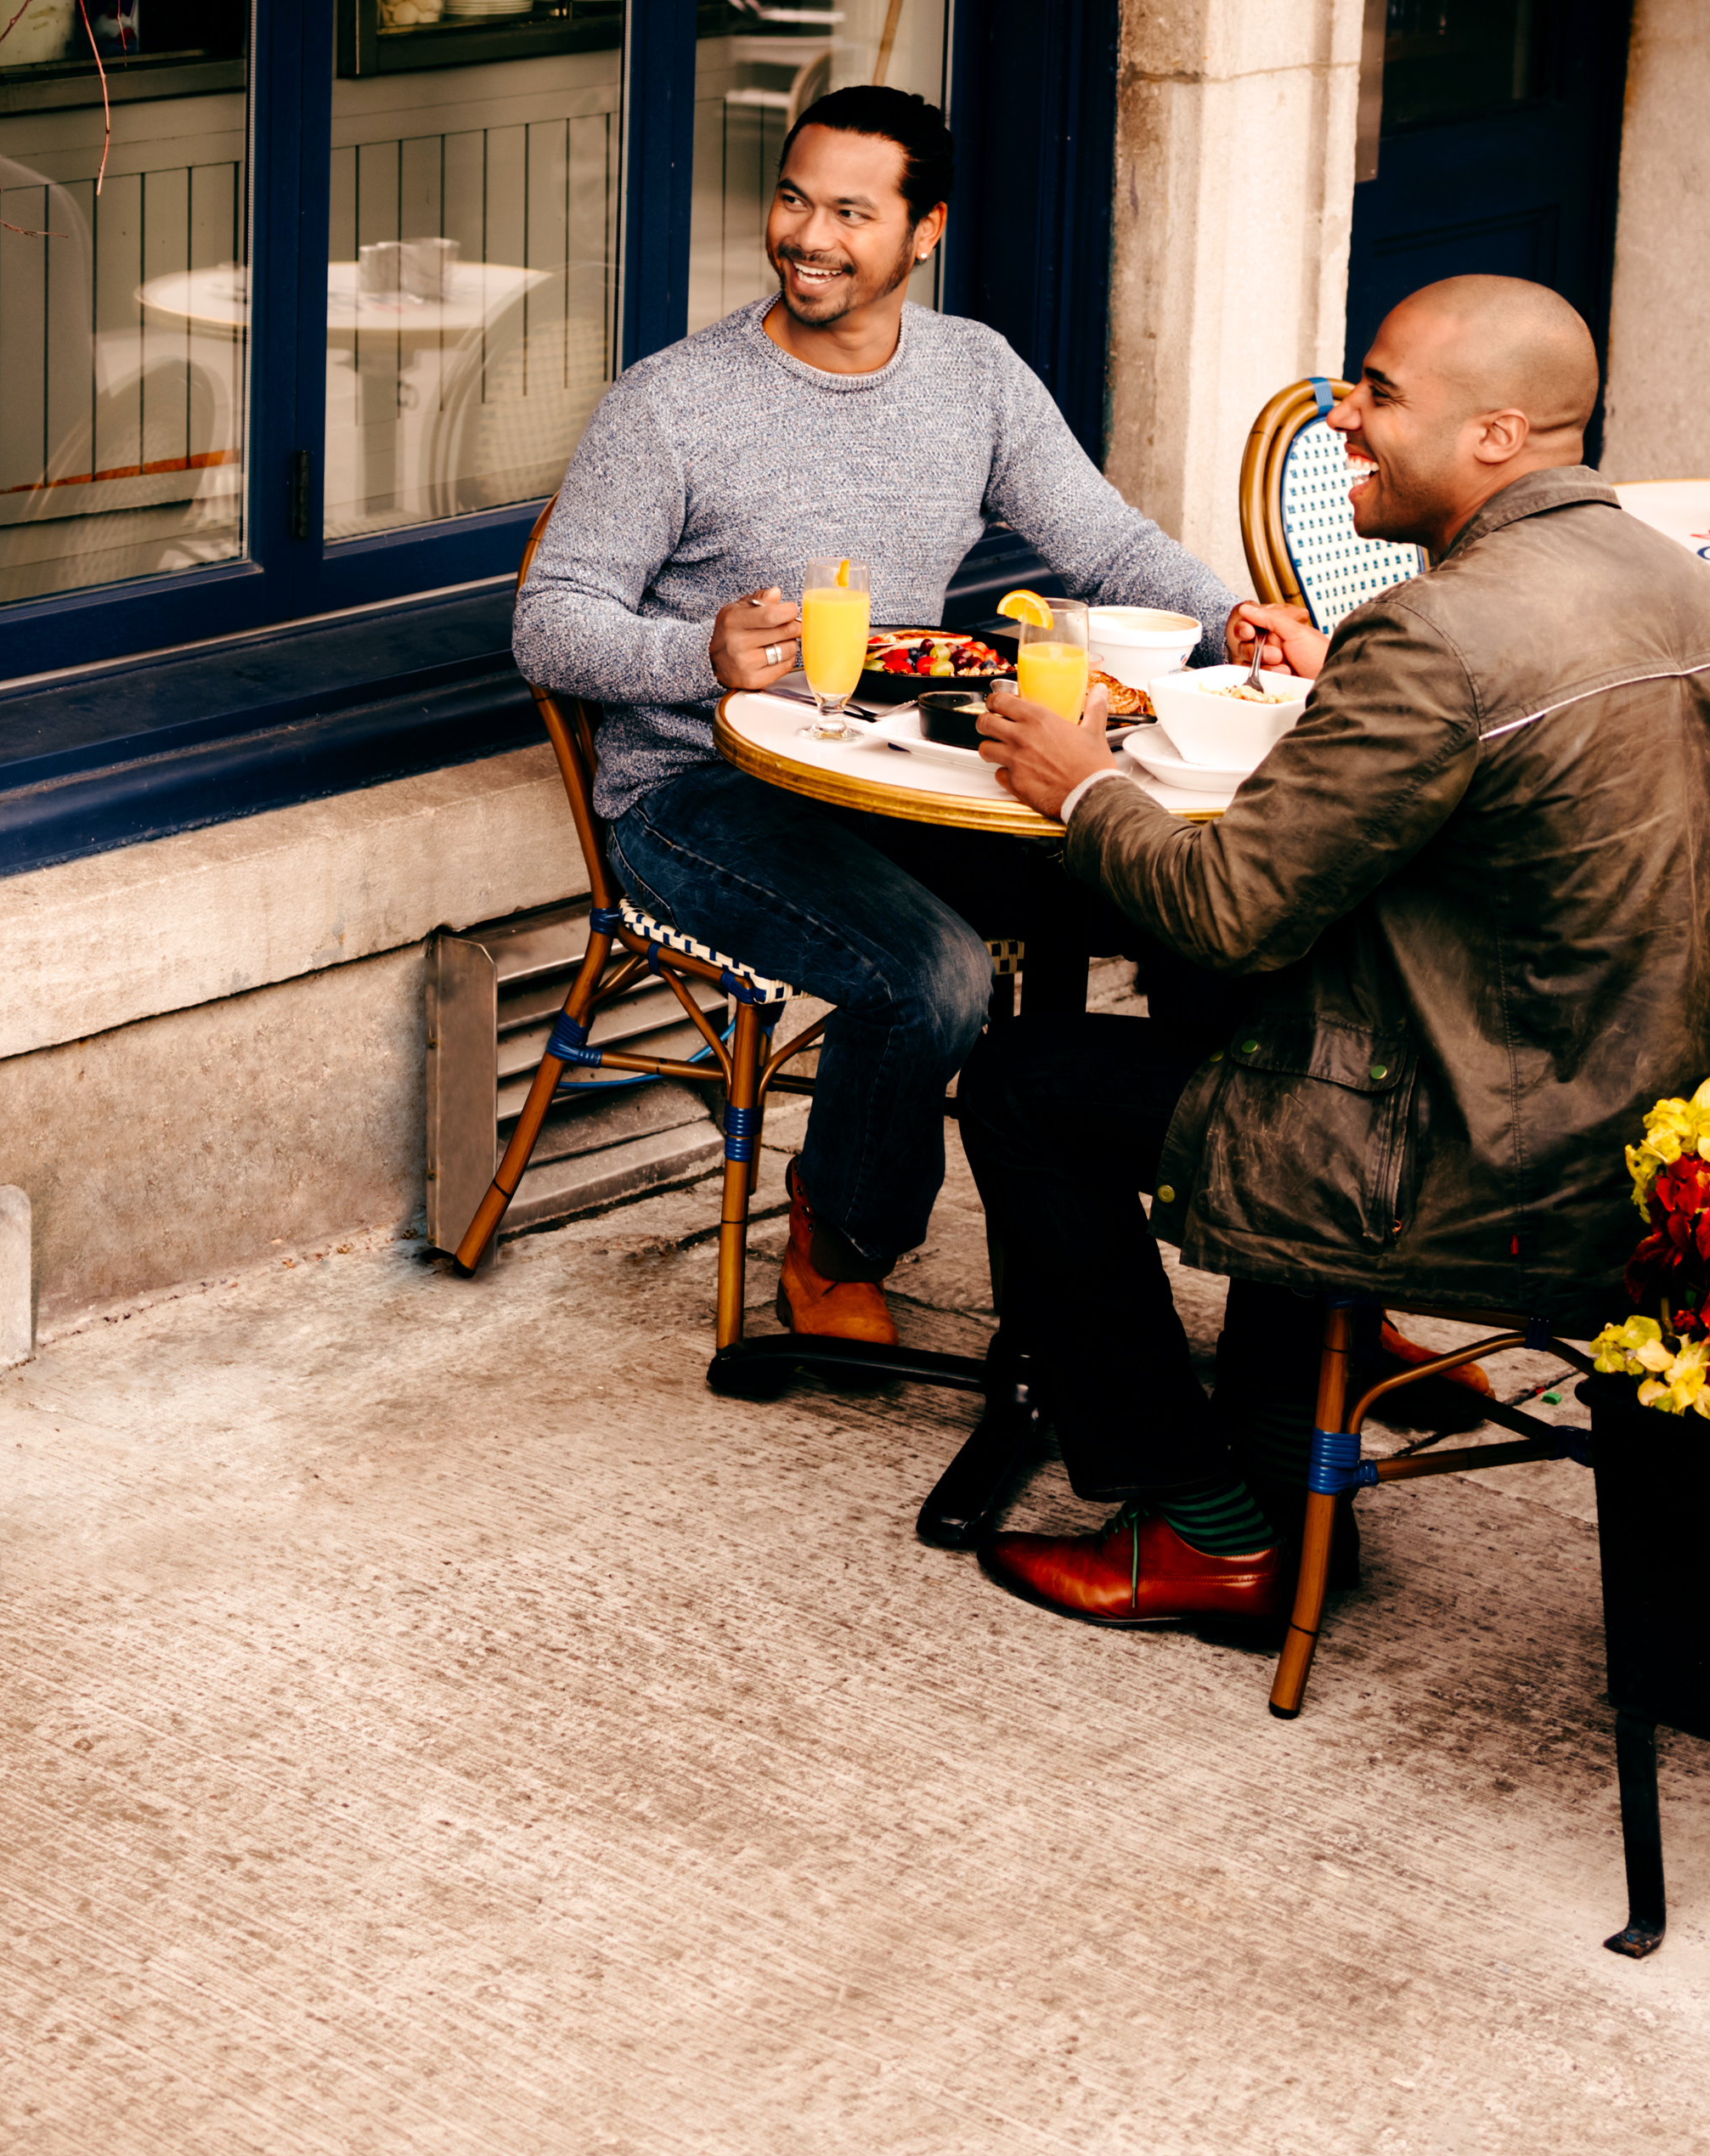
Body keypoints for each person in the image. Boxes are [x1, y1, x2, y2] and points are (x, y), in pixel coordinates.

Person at [958, 275, 1710, 1640]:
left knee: (1024, 1079)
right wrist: (1351, 666)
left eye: (1379, 393)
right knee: (1246, 1010)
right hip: (1668, 1133)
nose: (1342, 416)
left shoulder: (1441, 635)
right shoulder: (1684, 581)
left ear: (1496, 435)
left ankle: (1204, 1526)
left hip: (1493, 1161)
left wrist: (1081, 788)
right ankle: (1298, 1470)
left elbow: (1228, 902)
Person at [511, 84, 1283, 1348]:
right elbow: (550, 620)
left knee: (1204, 901)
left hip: (890, 771)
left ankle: (1254, 1237)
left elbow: (1100, 541)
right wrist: (697, 653)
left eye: (851, 213)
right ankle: (839, 1237)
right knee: (932, 979)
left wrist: (1227, 616)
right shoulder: (673, 401)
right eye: (794, 198)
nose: (809, 235)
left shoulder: (974, 375)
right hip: (695, 792)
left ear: (925, 231)